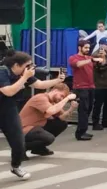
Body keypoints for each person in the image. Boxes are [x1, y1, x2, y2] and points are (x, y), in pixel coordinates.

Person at [0, 51, 67, 179]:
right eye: (28, 65)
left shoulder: (23, 73)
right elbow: (8, 91)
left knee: (18, 140)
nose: (31, 68)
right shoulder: (3, 72)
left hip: (8, 109)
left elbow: (39, 84)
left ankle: (16, 166)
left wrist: (57, 80)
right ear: (16, 65)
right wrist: (24, 78)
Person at [20, 83, 78, 156]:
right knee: (49, 138)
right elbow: (50, 111)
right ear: (55, 90)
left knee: (61, 123)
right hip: (24, 129)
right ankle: (20, 148)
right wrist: (67, 98)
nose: (61, 99)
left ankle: (38, 148)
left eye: (63, 98)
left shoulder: (53, 102)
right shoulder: (41, 97)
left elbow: (62, 117)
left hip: (36, 128)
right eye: (61, 96)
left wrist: (71, 108)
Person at [69, 40, 102, 141]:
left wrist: (101, 58)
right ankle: (80, 132)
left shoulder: (89, 58)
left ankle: (83, 130)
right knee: (83, 110)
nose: (88, 50)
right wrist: (92, 60)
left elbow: (98, 66)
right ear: (79, 47)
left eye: (88, 48)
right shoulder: (73, 58)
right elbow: (78, 64)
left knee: (88, 108)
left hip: (90, 86)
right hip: (80, 87)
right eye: (85, 48)